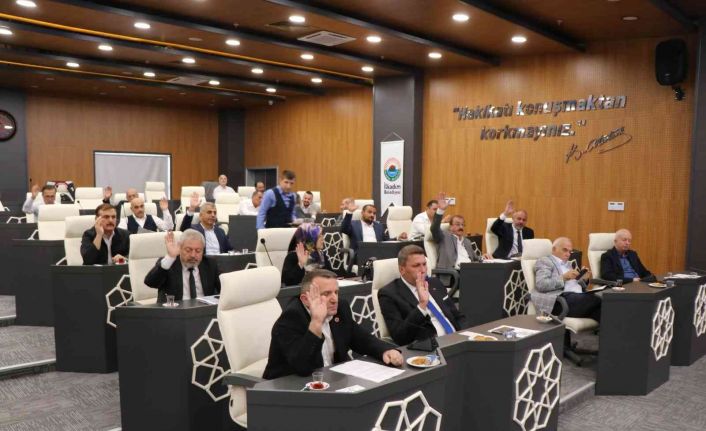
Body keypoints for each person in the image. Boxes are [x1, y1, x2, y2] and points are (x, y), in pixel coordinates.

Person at [263, 269, 403, 379]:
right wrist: (316, 323)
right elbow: (303, 367)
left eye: (336, 292)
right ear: (306, 299)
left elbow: (361, 339)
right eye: (326, 294)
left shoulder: (340, 308)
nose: (334, 299)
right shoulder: (291, 318)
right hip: (288, 390)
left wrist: (385, 350)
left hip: (330, 381)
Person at [378, 245, 467, 346]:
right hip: (431, 347)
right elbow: (400, 337)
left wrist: (468, 335)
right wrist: (422, 305)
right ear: (402, 270)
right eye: (416, 266)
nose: (423, 270)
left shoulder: (434, 283)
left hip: (457, 340)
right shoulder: (389, 294)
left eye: (424, 264)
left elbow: (457, 316)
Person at [532, 237, 600, 322]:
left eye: (570, 252)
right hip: (560, 302)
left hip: (576, 298)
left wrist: (583, 280)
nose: (568, 254)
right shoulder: (545, 261)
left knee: (604, 312)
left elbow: (573, 285)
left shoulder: (568, 264)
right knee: (600, 300)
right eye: (565, 250)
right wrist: (564, 277)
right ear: (554, 249)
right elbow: (541, 284)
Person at [144, 229, 221, 303]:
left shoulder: (210, 264)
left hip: (203, 309)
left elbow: (224, 288)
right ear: (180, 248)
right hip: (175, 310)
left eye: (198, 251)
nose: (193, 255)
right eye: (188, 250)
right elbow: (150, 283)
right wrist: (170, 257)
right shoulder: (169, 263)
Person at [430, 192, 485, 270]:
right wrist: (441, 210)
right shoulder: (444, 237)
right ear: (450, 227)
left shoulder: (467, 241)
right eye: (457, 224)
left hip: (469, 271)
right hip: (453, 273)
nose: (461, 227)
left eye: (462, 225)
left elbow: (476, 258)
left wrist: (484, 257)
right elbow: (434, 228)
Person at [340, 202, 407, 251]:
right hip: (361, 253)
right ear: (362, 213)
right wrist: (350, 212)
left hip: (378, 251)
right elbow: (344, 229)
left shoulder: (379, 226)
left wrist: (397, 238)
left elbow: (386, 241)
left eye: (374, 213)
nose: (372, 215)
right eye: (369, 212)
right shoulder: (354, 224)